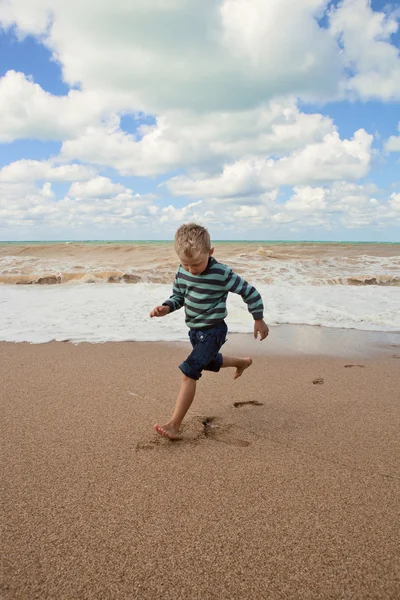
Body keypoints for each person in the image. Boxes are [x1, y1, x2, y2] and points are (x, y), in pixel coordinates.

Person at [150, 223, 269, 439]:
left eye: (196, 263)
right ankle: (242, 362)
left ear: (210, 252)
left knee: (189, 372)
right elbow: (178, 297)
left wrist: (258, 319)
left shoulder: (221, 273)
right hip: (194, 331)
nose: (191, 269)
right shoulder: (182, 272)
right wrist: (165, 308)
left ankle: (175, 424)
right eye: (185, 264)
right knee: (210, 362)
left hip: (214, 331)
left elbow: (250, 292)